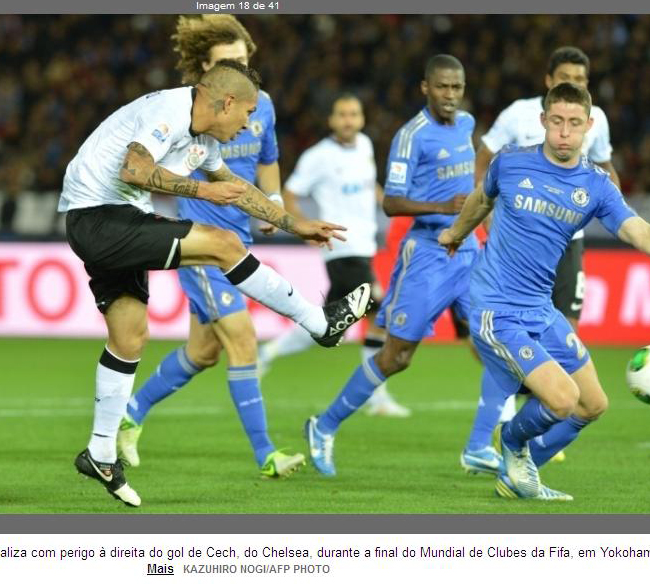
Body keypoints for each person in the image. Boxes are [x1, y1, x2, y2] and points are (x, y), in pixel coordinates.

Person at [59, 59, 373, 507]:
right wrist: (204, 193)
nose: (248, 127)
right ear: (226, 103)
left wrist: (294, 225)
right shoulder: (167, 113)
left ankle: (101, 452)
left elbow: (238, 188)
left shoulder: (203, 142)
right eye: (246, 115)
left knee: (130, 338)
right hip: (99, 218)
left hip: (117, 216)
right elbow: (133, 168)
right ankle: (320, 323)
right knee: (223, 243)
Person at [438, 82, 650, 500]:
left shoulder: (596, 184)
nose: (564, 132)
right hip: (497, 307)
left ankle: (519, 474)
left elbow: (638, 230)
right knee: (563, 399)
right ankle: (512, 446)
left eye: (573, 123)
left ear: (588, 125)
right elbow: (481, 199)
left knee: (592, 403)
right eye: (556, 122)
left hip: (540, 308)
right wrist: (456, 232)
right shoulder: (510, 163)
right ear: (543, 122)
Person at [117, 15, 306, 479]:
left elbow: (268, 160)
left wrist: (274, 202)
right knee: (243, 340)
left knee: (203, 351)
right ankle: (267, 455)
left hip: (238, 241)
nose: (240, 69)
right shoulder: (190, 118)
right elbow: (146, 166)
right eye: (229, 63)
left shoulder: (262, 107)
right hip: (202, 242)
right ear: (206, 69)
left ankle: (131, 413)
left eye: (244, 61)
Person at [303, 55, 478, 476]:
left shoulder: (469, 126)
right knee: (397, 356)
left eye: (456, 87)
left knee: (491, 337)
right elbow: (391, 201)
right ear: (425, 88)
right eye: (442, 87)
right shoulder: (411, 136)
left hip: (469, 251)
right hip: (428, 253)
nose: (450, 96)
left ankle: (496, 444)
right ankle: (324, 426)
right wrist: (442, 206)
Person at [468, 47, 620, 446]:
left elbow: (605, 168)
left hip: (570, 242)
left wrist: (617, 209)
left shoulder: (596, 119)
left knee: (565, 333)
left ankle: (542, 418)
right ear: (548, 81)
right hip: (517, 243)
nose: (575, 83)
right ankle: (520, 420)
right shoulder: (517, 116)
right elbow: (485, 158)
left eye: (583, 80)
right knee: (503, 340)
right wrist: (483, 211)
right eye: (567, 76)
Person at [256, 93, 411, 418]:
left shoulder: (366, 146)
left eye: (354, 114)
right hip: (340, 247)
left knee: (328, 326)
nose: (348, 120)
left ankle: (267, 353)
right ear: (331, 120)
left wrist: (393, 206)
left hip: (365, 247)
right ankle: (377, 398)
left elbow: (371, 187)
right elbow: (291, 193)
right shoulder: (318, 156)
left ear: (362, 119)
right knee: (378, 308)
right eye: (342, 115)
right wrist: (302, 228)